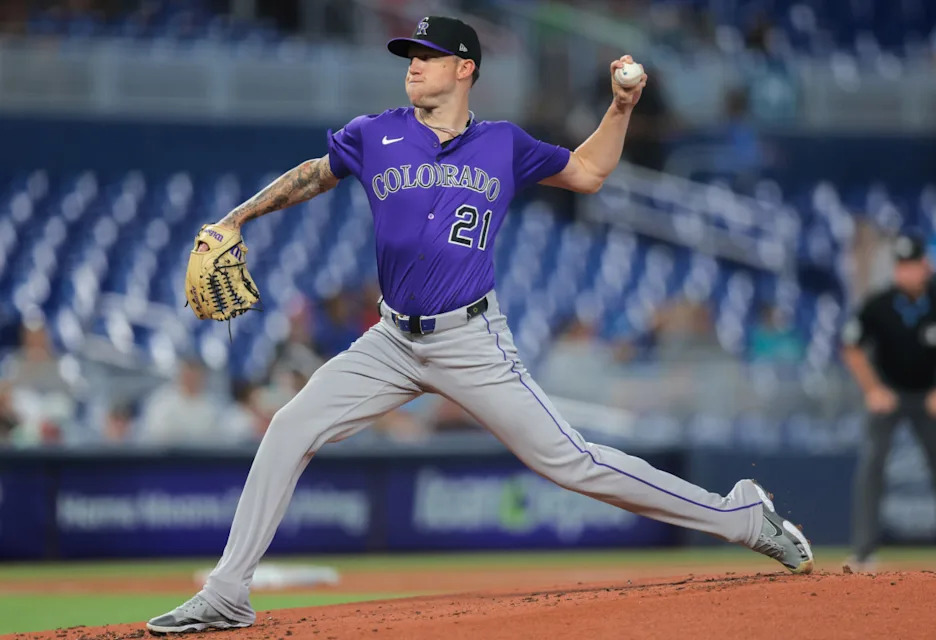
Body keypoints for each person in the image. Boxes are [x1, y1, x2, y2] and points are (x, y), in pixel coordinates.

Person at [146, 16, 813, 634]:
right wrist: (238, 217)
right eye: (410, 54)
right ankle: (229, 591)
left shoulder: (503, 144)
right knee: (291, 426)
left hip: (470, 339)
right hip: (390, 341)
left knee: (573, 463)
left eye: (428, 56)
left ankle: (741, 516)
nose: (413, 64)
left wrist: (619, 108)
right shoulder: (374, 133)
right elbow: (312, 176)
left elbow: (587, 173)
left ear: (465, 68)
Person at [841, 232, 936, 571]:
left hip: (930, 395)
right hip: (889, 396)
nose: (907, 272)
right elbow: (851, 348)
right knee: (872, 465)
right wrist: (873, 389)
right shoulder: (879, 303)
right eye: (901, 266)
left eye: (913, 265)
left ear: (925, 267)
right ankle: (864, 551)